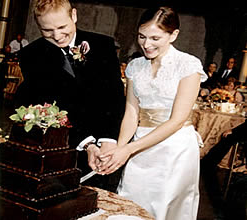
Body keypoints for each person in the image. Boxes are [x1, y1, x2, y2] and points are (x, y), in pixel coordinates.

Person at [88, 6, 207, 220]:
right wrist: (119, 150)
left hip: (174, 148)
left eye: (155, 38)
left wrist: (129, 149)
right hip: (139, 144)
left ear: (173, 35)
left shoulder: (188, 65)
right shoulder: (135, 66)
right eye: (142, 37)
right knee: (131, 202)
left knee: (164, 206)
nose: (147, 44)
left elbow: (178, 120)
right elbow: (131, 114)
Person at [14, 0, 125, 192]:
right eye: (47, 31)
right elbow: (53, 106)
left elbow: (114, 97)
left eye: (61, 27)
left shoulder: (103, 45)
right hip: (64, 144)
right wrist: (87, 144)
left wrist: (108, 139)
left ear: (73, 15)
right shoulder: (32, 55)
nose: (56, 36)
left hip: (104, 144)